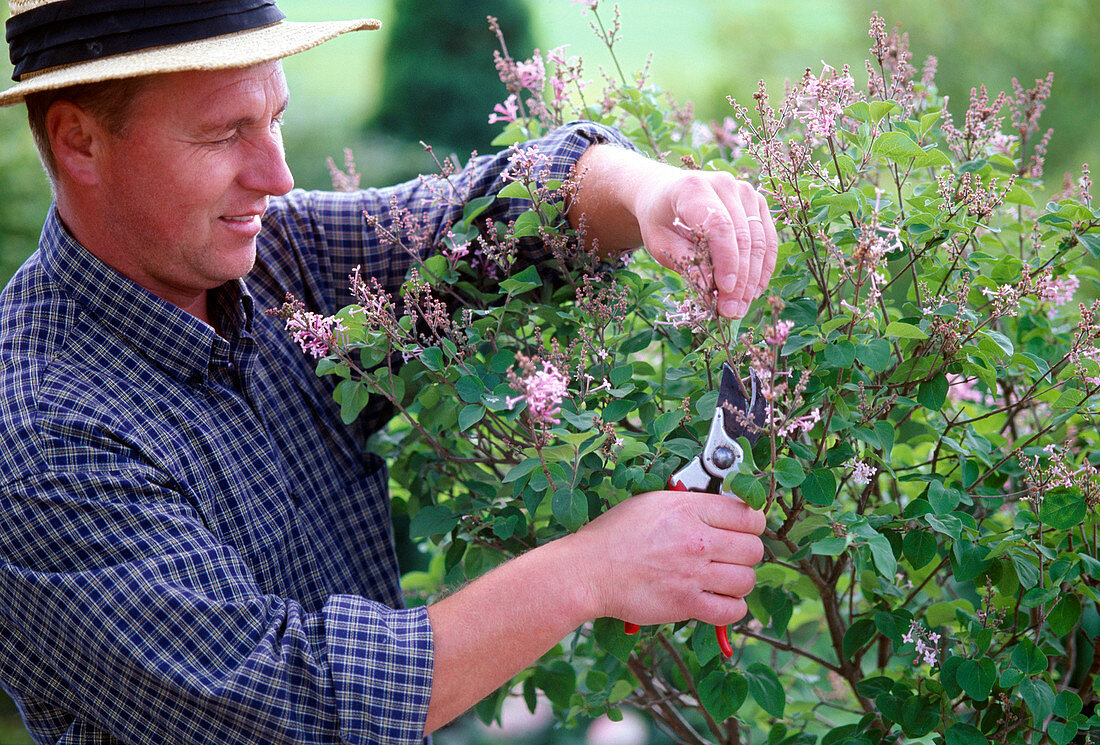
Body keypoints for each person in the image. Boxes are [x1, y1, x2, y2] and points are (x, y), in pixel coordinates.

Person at [0, 2, 778, 743]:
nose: (275, 174)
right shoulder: (43, 434)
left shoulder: (269, 262)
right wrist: (591, 569)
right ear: (80, 142)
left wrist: (653, 191)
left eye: (272, 119)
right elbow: (297, 708)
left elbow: (480, 217)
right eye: (223, 133)